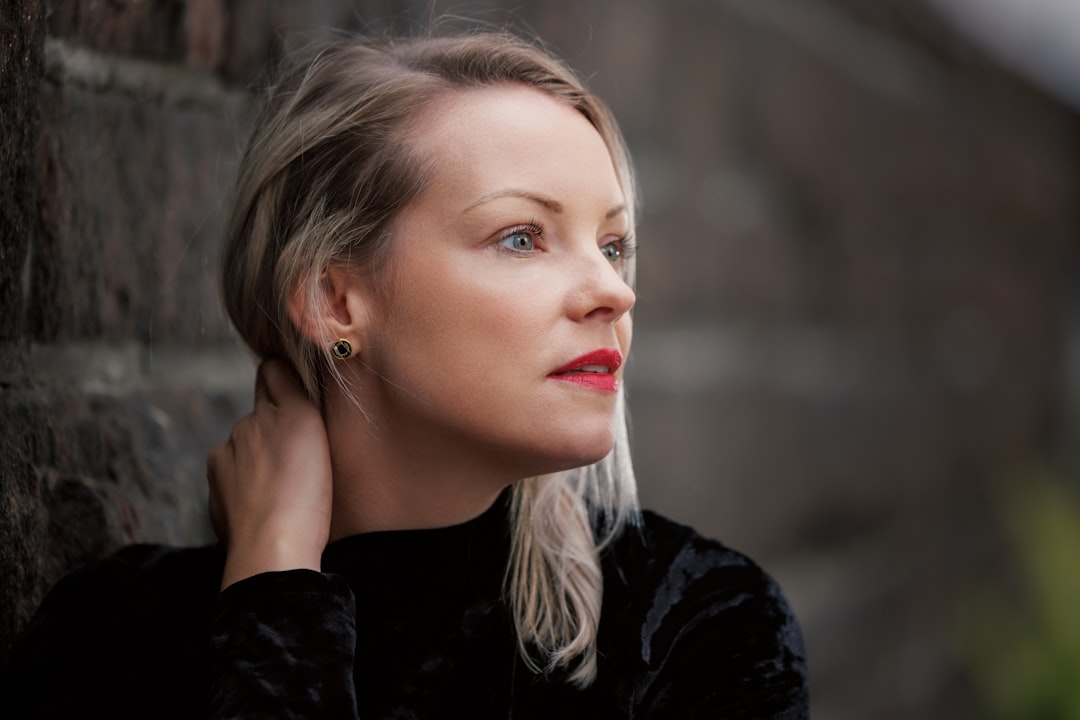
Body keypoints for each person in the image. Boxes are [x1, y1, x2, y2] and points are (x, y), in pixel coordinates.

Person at [2, 31, 808, 718]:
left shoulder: (693, 623)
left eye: (613, 244)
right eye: (522, 237)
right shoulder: (116, 635)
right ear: (335, 300)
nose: (614, 291)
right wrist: (275, 581)